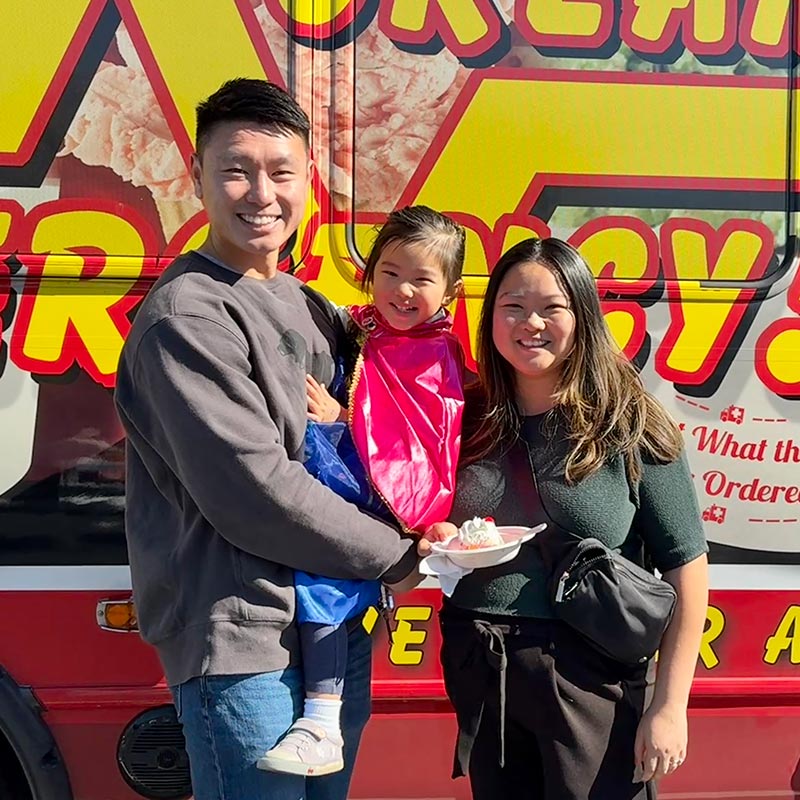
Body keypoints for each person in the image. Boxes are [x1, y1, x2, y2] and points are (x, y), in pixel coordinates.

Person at [114, 78, 419, 800]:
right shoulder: (187, 318)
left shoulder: (307, 303)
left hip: (332, 627)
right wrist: (398, 556)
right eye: (236, 169)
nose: (261, 193)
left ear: (308, 181)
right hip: (247, 641)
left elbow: (379, 423)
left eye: (281, 172)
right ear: (197, 178)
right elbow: (254, 491)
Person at [421, 237, 709, 799]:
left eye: (552, 307)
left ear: (582, 316)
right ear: (491, 317)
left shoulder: (630, 422)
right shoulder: (462, 414)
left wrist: (670, 706)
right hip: (486, 672)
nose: (531, 323)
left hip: (591, 679)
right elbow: (414, 511)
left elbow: (687, 567)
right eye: (513, 306)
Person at [259, 205, 466, 776]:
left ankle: (322, 720)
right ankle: (327, 718)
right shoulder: (362, 328)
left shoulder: (434, 352)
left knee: (324, 581)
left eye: (421, 279)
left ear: (450, 290)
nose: (401, 290)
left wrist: (339, 420)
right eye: (390, 271)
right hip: (351, 481)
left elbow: (414, 439)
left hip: (380, 497)